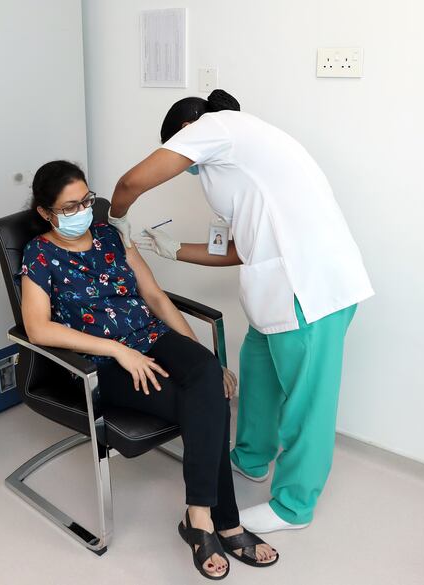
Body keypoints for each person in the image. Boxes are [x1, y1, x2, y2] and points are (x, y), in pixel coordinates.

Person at [107, 90, 374, 534]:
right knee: (259, 377)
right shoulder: (242, 158)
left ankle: (293, 505)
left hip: (309, 290)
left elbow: (131, 183)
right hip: (275, 292)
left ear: (187, 132)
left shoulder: (218, 126)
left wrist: (116, 217)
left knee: (308, 403)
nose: (187, 167)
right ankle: (251, 458)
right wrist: (175, 250)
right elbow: (239, 248)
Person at [19, 160, 278, 580]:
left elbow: (154, 296)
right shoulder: (40, 254)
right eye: (69, 207)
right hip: (105, 362)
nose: (84, 210)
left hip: (152, 336)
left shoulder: (111, 235)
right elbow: (37, 327)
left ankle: (199, 516)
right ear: (45, 214)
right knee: (200, 404)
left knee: (207, 381)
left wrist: (204, 360)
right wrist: (117, 351)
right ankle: (225, 521)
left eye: (87, 199)